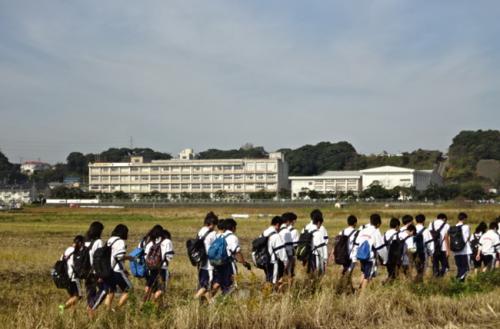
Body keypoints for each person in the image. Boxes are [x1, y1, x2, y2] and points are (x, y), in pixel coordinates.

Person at [212, 219, 251, 298]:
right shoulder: (232, 237)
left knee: (219, 283)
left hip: (217, 263)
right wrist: (244, 263)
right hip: (228, 265)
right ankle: (221, 302)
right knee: (232, 286)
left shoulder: (219, 235)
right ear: (233, 228)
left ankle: (207, 298)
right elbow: (237, 253)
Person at [352, 214, 387, 291]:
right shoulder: (376, 232)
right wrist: (385, 259)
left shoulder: (363, 230)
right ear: (378, 223)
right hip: (370, 258)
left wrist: (354, 256)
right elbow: (381, 248)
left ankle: (359, 289)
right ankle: (362, 296)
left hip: (361, 256)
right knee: (367, 277)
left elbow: (356, 243)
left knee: (364, 273)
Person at [104, 224, 134, 310]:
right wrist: (129, 258)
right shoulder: (121, 241)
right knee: (129, 290)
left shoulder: (110, 240)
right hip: (117, 270)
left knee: (110, 291)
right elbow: (119, 257)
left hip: (108, 270)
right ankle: (116, 309)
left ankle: (107, 311)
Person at [143, 227, 174, 304]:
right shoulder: (167, 241)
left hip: (150, 268)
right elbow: (169, 257)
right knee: (161, 289)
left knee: (151, 287)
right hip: (162, 268)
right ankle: (151, 305)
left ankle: (145, 303)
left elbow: (145, 256)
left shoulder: (150, 243)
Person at [194, 212, 219, 300]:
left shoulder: (200, 231)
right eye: (215, 224)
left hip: (201, 261)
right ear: (212, 224)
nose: (215, 227)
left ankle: (204, 304)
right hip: (209, 264)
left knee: (202, 284)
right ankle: (193, 300)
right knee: (206, 286)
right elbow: (213, 250)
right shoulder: (212, 234)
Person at [58, 235, 85, 314]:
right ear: (80, 243)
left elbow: (61, 260)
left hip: (65, 277)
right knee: (78, 296)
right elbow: (76, 265)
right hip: (73, 277)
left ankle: (73, 315)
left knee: (72, 297)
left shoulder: (67, 250)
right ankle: (63, 307)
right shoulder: (77, 252)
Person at [84, 221, 105, 317]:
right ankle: (91, 307)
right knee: (105, 290)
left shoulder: (84, 241)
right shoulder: (98, 242)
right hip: (95, 271)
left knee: (90, 294)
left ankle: (90, 318)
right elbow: (100, 258)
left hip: (85, 272)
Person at [261, 216, 288, 289]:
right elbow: (281, 251)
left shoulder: (264, 232)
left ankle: (266, 295)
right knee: (273, 282)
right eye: (280, 226)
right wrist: (285, 262)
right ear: (277, 224)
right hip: (273, 262)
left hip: (264, 261)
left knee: (268, 279)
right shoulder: (276, 236)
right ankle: (271, 296)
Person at [303, 209, 328, 275]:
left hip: (307, 255)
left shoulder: (306, 227)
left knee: (309, 273)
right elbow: (323, 245)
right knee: (317, 274)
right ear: (319, 222)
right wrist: (325, 259)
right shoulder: (320, 231)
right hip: (316, 255)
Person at [452, 212, 472, 282]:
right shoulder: (466, 227)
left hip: (456, 251)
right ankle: (459, 281)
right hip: (465, 251)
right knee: (466, 268)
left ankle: (458, 282)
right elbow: (467, 238)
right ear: (464, 219)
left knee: (459, 268)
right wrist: (469, 230)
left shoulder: (454, 227)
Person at [413, 214, 434, 282]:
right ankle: (418, 283)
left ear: (416, 221)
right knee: (422, 270)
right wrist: (431, 254)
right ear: (424, 221)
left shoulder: (412, 229)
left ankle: (416, 283)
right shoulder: (426, 230)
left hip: (413, 253)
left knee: (416, 269)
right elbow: (430, 244)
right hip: (422, 253)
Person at [283, 212, 299, 277]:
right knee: (290, 273)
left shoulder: (281, 230)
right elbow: (295, 245)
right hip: (290, 254)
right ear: (293, 221)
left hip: (280, 254)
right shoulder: (294, 231)